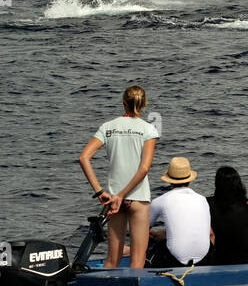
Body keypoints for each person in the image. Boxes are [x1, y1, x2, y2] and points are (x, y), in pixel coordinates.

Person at [77, 85, 158, 268]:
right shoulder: (148, 129)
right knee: (138, 261)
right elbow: (144, 168)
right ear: (144, 104)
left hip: (114, 200)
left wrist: (100, 192)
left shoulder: (108, 127)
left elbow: (84, 158)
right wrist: (124, 194)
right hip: (138, 198)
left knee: (112, 260)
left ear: (123, 103)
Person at [146, 157, 213, 268]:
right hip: (205, 259)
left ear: (169, 180)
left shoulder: (160, 201)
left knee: (149, 241)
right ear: (189, 179)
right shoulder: (202, 199)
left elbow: (144, 230)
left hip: (175, 261)